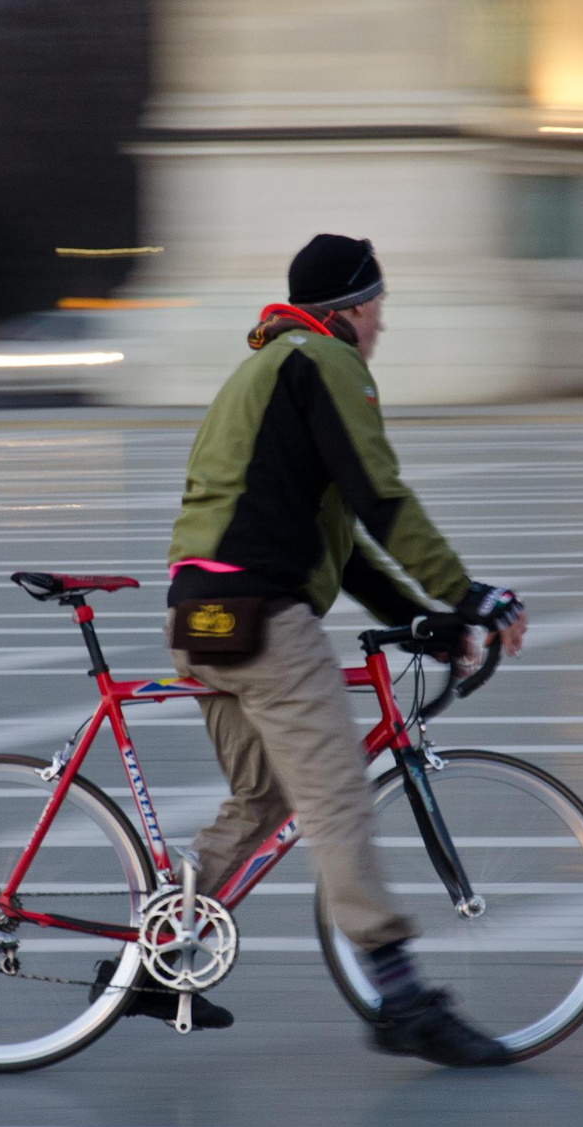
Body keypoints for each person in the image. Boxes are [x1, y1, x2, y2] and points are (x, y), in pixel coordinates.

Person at [103, 234, 527, 1067]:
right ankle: (399, 994)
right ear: (350, 309)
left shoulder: (264, 369)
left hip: (203, 617)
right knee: (338, 795)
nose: (381, 327)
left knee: (263, 799)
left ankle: (146, 966)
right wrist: (469, 594)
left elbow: (348, 541)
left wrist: (420, 614)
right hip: (262, 615)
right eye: (379, 309)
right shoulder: (323, 361)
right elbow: (382, 498)